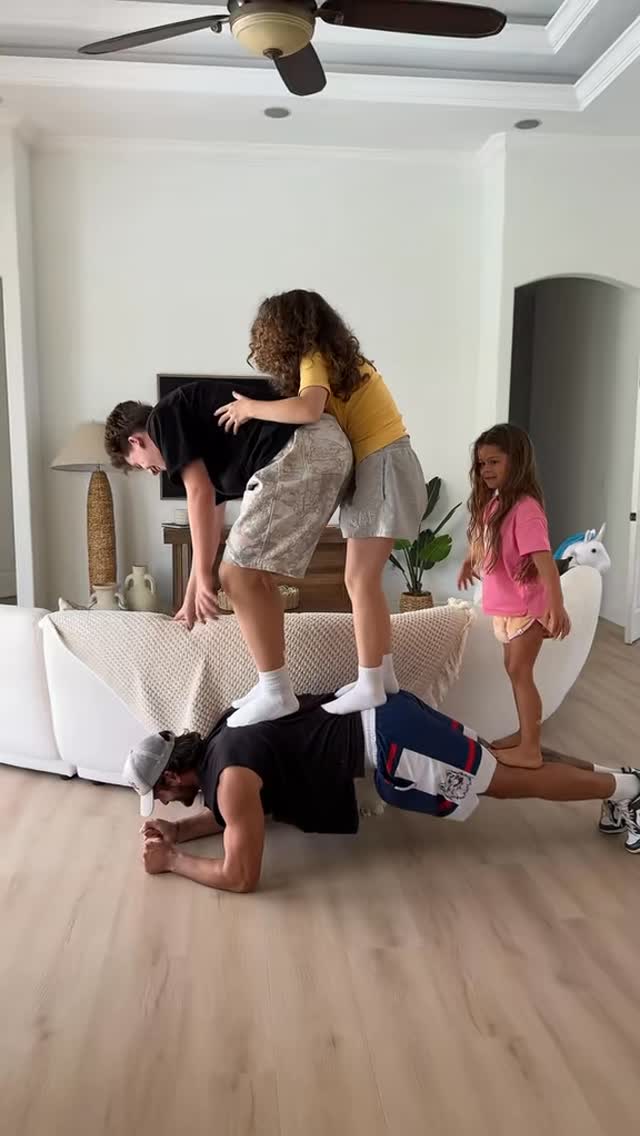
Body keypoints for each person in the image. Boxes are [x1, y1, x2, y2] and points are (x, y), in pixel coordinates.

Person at [122, 690, 640, 894]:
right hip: (390, 716)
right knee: (507, 760)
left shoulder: (230, 778)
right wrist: (179, 832)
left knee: (508, 782)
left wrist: (173, 862)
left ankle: (628, 789)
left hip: (394, 743)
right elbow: (236, 815)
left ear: (170, 777)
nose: (163, 803)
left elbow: (241, 876)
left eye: (159, 796)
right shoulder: (224, 733)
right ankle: (620, 780)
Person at [214, 290, 426, 716]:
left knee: (359, 580)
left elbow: (308, 409)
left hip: (383, 464)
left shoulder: (314, 356)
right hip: (385, 463)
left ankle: (371, 683)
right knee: (363, 579)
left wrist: (251, 408)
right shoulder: (339, 359)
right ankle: (382, 677)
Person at [105, 379, 352, 727]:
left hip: (302, 448)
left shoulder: (162, 419)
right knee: (252, 576)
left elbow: (199, 494)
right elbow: (212, 511)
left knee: (234, 575)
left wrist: (204, 576)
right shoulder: (204, 439)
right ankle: (272, 683)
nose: (153, 471)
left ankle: (276, 691)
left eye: (144, 465)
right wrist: (193, 588)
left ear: (136, 441)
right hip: (323, 447)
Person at [457, 424, 571, 770]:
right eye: (482, 464)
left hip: (528, 607)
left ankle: (531, 749)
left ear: (516, 462)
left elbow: (545, 561)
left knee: (521, 673)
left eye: (494, 462)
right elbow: (485, 540)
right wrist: (469, 561)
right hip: (507, 606)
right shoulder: (495, 504)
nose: (486, 470)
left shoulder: (526, 509)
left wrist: (556, 605)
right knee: (514, 671)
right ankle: (525, 734)